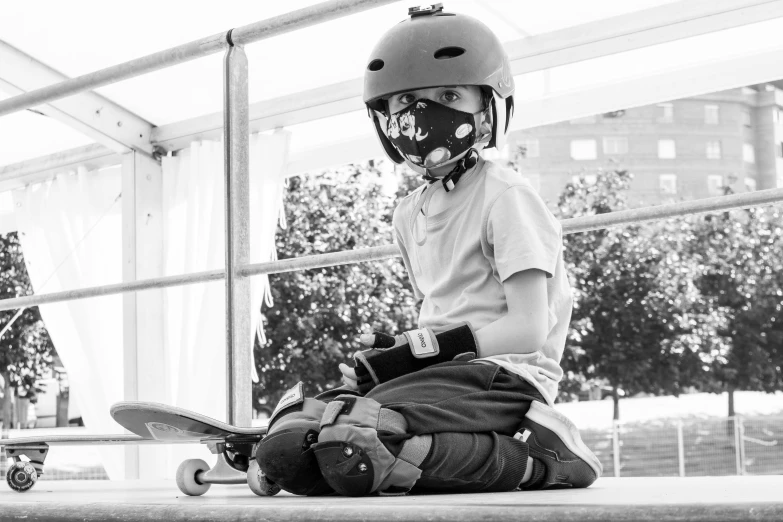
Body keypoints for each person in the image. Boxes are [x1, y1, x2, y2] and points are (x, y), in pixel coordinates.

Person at [255, 3, 602, 496]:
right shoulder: (407, 213)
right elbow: (445, 313)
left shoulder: (507, 196)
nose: (422, 114)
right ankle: (284, 450)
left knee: (361, 438)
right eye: (405, 101)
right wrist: (397, 352)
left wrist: (415, 355)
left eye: (447, 95)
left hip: (505, 375)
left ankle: (545, 459)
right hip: (442, 374)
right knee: (304, 440)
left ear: (486, 109)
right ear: (384, 119)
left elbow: (529, 327)